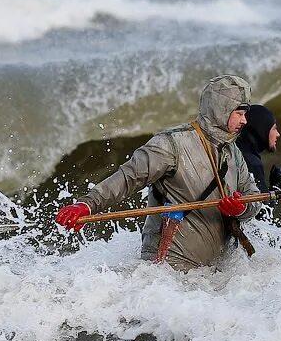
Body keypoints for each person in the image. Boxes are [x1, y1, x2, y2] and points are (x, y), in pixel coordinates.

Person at [55, 75, 262, 270]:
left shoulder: (233, 152)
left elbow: (253, 197)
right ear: (220, 109)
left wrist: (241, 209)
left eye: (245, 115)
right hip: (167, 270)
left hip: (214, 275)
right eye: (239, 113)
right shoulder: (172, 143)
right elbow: (128, 178)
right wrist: (87, 205)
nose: (244, 121)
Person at [234, 104, 281, 193]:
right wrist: (277, 187)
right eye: (274, 128)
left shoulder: (234, 150)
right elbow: (259, 201)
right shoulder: (252, 162)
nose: (278, 134)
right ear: (262, 130)